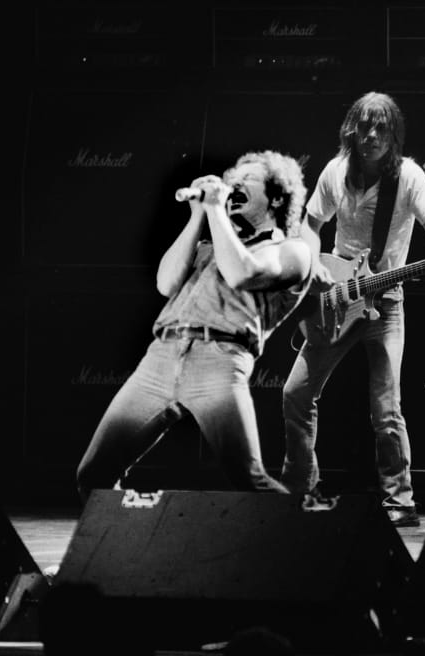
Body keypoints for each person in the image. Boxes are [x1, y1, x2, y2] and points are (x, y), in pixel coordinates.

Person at [76, 150, 312, 504]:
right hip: (160, 358)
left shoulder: (292, 251)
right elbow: (166, 283)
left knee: (249, 480)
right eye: (232, 180)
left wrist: (216, 209)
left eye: (247, 179)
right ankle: (123, 554)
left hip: (218, 360)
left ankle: (308, 548)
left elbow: (242, 272)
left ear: (276, 197)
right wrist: (198, 215)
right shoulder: (209, 246)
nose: (234, 185)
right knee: (93, 475)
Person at [280, 91, 425, 527]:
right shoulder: (335, 172)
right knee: (295, 395)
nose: (372, 135)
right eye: (364, 126)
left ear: (393, 134)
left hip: (385, 300)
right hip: (336, 296)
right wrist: (314, 265)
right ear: (351, 130)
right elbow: (309, 224)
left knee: (386, 409)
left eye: (381, 128)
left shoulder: (410, 178)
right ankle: (300, 491)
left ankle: (399, 501)